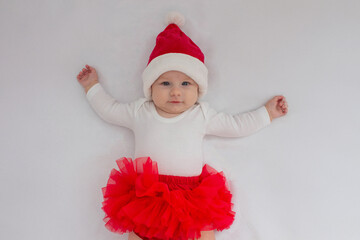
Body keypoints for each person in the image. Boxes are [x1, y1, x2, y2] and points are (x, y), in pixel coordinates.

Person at [76, 12, 288, 240]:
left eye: (185, 83)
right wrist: (92, 87)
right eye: (165, 83)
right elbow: (110, 110)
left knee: (204, 234)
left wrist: (267, 113)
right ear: (150, 88)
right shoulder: (140, 111)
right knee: (139, 233)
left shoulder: (201, 115)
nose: (175, 91)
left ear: (198, 89)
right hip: (148, 195)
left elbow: (235, 126)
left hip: (192, 196)